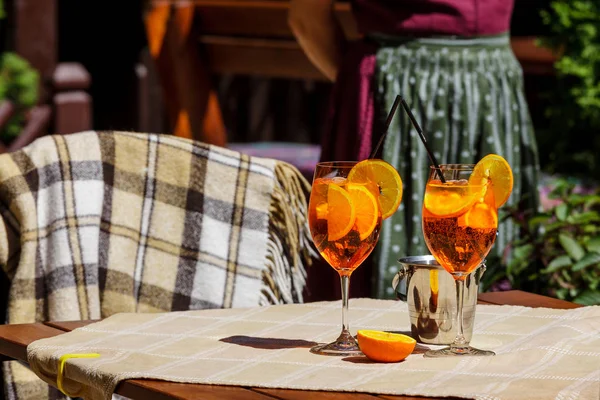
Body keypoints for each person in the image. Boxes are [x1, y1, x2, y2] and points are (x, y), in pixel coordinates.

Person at [288, 0, 541, 299]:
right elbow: (308, 16)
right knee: (363, 226)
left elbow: (306, 19)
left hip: (489, 91)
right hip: (397, 83)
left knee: (484, 226)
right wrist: (361, 84)